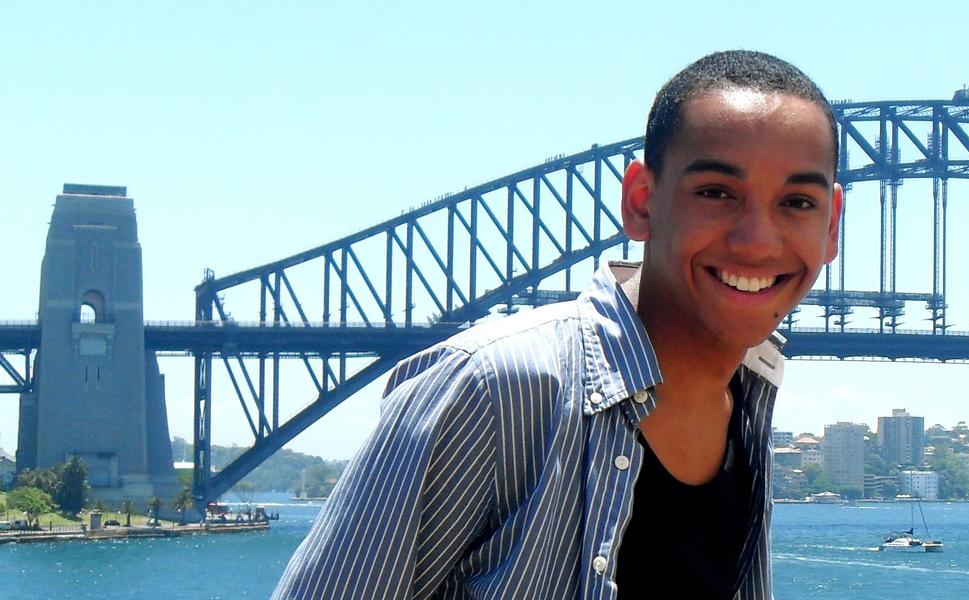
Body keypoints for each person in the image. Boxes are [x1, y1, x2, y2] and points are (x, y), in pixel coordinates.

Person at [272, 50, 842, 600]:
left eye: (797, 203)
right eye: (716, 192)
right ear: (641, 201)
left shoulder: (748, 404)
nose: (758, 240)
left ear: (833, 225)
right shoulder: (492, 389)